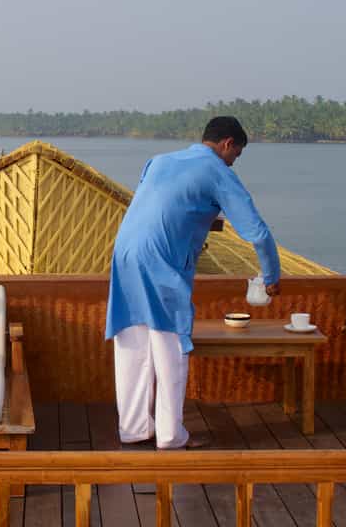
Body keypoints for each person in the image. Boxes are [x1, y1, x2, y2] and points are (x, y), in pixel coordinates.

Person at [104, 116, 282, 449]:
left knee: (133, 340)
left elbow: (169, 205)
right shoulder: (218, 171)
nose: (232, 163)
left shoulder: (157, 162)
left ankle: (134, 428)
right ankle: (171, 435)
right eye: (235, 156)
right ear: (227, 144)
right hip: (161, 260)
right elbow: (257, 233)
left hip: (125, 253)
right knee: (170, 345)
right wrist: (272, 278)